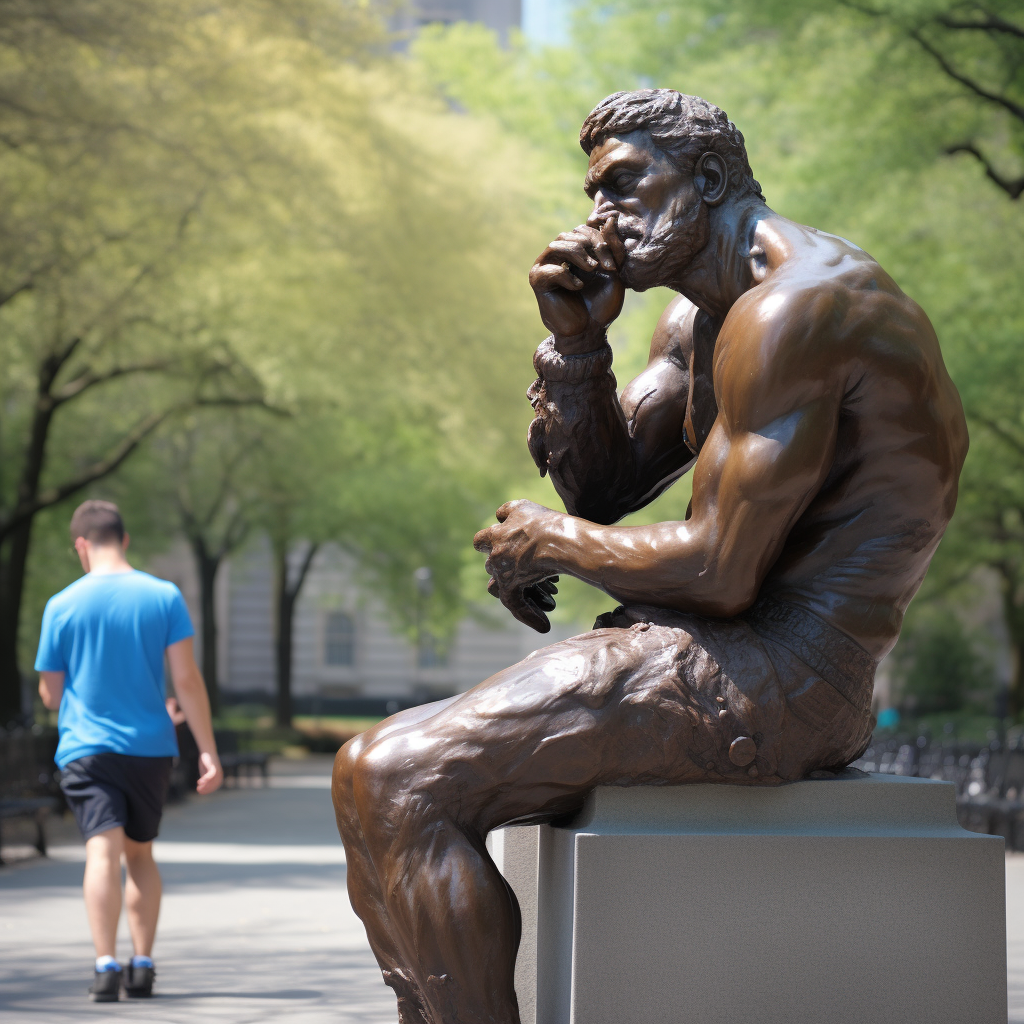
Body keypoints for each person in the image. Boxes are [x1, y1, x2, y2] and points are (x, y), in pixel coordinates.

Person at [332, 89, 969, 1024]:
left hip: (790, 675)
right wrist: (579, 345)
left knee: (402, 777)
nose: (600, 218)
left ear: (707, 179)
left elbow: (719, 569)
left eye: (624, 185)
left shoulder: (796, 310)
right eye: (593, 195)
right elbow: (605, 488)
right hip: (731, 648)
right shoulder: (703, 320)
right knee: (362, 771)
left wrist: (550, 543)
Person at [36, 500, 223, 1002]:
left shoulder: (61, 605)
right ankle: (142, 964)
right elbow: (185, 679)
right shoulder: (163, 596)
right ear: (125, 540)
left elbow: (51, 695)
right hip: (150, 748)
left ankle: (104, 967)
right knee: (140, 854)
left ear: (81, 545)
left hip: (86, 748)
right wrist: (207, 750)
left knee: (102, 851)